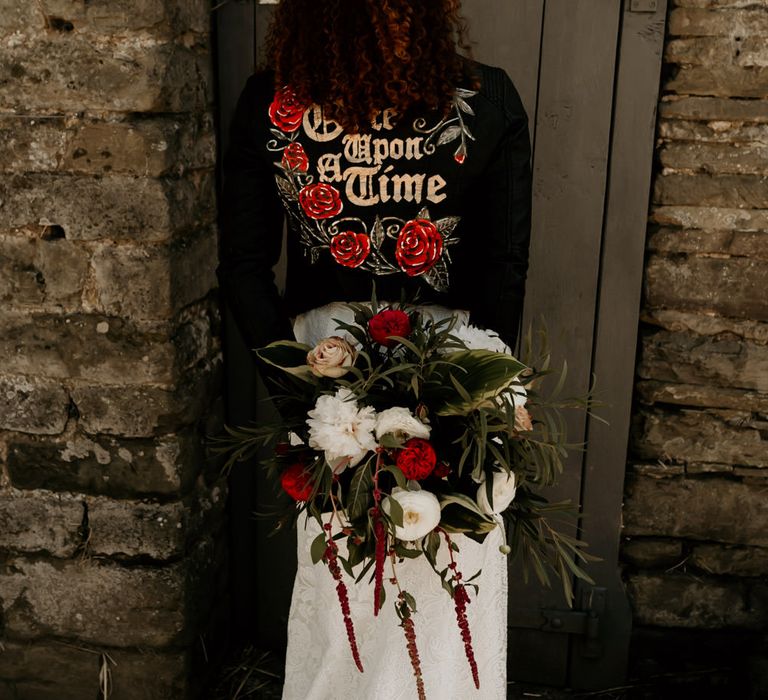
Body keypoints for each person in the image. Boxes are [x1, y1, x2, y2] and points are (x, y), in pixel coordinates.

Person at [217, 1, 532, 697]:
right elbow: (503, 268)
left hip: (331, 369)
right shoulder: (488, 97)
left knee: (342, 575)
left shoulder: (271, 102)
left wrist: (305, 395)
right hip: (448, 366)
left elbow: (243, 267)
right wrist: (479, 388)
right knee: (453, 569)